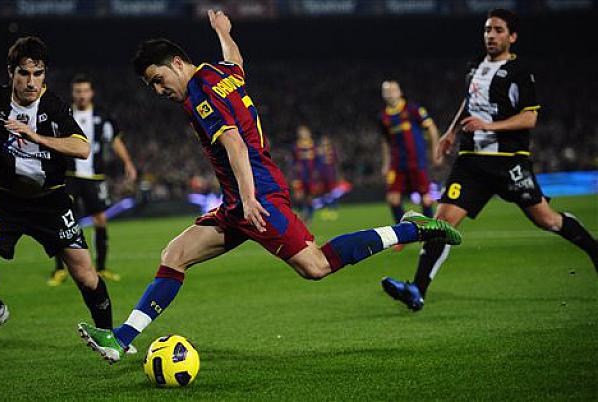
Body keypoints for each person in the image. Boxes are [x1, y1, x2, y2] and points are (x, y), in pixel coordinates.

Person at [77, 10, 462, 363]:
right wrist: (224, 33)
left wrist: (248, 199)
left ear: (177, 63)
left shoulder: (199, 95)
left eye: (158, 80)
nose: (158, 91)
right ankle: (122, 338)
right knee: (175, 254)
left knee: (316, 266)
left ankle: (411, 229)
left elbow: (234, 144)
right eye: (151, 86)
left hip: (257, 195)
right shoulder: (218, 73)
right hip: (238, 201)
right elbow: (237, 61)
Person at [382, 9, 598, 312]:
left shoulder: (520, 72)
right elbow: (469, 101)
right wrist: (450, 132)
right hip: (471, 162)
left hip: (508, 161)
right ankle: (417, 290)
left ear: (512, 36)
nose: (491, 36)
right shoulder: (475, 66)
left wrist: (489, 126)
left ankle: (594, 252)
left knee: (547, 220)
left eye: (498, 30)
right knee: (441, 224)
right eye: (487, 30)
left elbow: (529, 118)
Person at [0, 36, 114, 350]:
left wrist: (35, 136)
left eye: (38, 73)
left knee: (86, 277)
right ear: (11, 73)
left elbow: (82, 148)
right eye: (24, 73)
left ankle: (109, 336)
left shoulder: (54, 106)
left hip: (51, 202)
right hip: (4, 202)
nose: (31, 82)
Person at [48, 74, 137, 286]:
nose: (81, 95)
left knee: (100, 220)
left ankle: (102, 267)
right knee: (63, 221)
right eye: (78, 91)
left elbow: (115, 141)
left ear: (91, 93)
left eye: (85, 91)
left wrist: (128, 163)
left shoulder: (102, 116)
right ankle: (60, 269)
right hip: (68, 176)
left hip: (95, 177)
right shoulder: (63, 115)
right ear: (73, 93)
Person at [379, 80, 440, 225]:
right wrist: (386, 164)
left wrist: (435, 151)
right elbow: (385, 141)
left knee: (426, 198)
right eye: (387, 91)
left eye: (393, 90)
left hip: (416, 161)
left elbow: (431, 128)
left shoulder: (413, 110)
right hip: (397, 163)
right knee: (393, 198)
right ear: (383, 95)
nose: (390, 94)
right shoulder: (383, 117)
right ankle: (403, 231)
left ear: (400, 92)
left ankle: (430, 230)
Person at [291, 125, 318, 222]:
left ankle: (310, 216)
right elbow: (293, 160)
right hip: (300, 175)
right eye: (301, 132)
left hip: (310, 175)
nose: (303, 134)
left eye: (304, 132)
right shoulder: (296, 146)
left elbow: (317, 160)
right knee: (299, 196)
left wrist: (316, 171)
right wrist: (294, 169)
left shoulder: (313, 145)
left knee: (310, 197)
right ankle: (302, 214)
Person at [316, 135, 339, 220]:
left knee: (332, 193)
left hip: (331, 175)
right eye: (323, 142)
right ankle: (325, 210)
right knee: (323, 194)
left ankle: (333, 210)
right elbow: (317, 163)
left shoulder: (332, 151)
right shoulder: (318, 152)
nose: (324, 144)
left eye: (326, 142)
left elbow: (335, 162)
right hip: (322, 176)